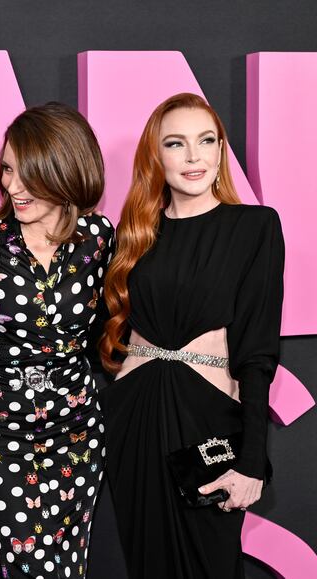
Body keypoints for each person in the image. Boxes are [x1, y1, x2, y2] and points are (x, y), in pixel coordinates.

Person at [99, 93, 284, 579]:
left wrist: (251, 463)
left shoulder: (254, 227)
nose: (194, 156)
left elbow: (257, 352)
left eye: (206, 141)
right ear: (156, 156)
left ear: (222, 150)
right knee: (144, 561)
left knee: (212, 562)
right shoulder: (134, 234)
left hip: (207, 419)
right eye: (176, 144)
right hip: (134, 417)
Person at [0, 102, 115, 579]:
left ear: (65, 173)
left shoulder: (98, 239)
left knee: (69, 562)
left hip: (77, 425)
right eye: (8, 169)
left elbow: (109, 319)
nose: (11, 186)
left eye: (29, 175)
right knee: (29, 566)